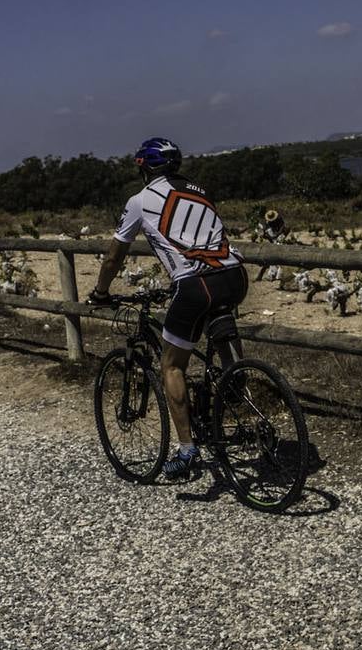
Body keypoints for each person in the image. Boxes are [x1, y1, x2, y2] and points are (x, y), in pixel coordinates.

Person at [88, 137, 248, 478]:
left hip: (195, 283)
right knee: (214, 318)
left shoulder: (139, 201)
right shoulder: (200, 190)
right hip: (235, 275)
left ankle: (187, 449)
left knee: (171, 366)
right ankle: (235, 381)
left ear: (144, 167)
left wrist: (101, 291)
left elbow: (115, 255)